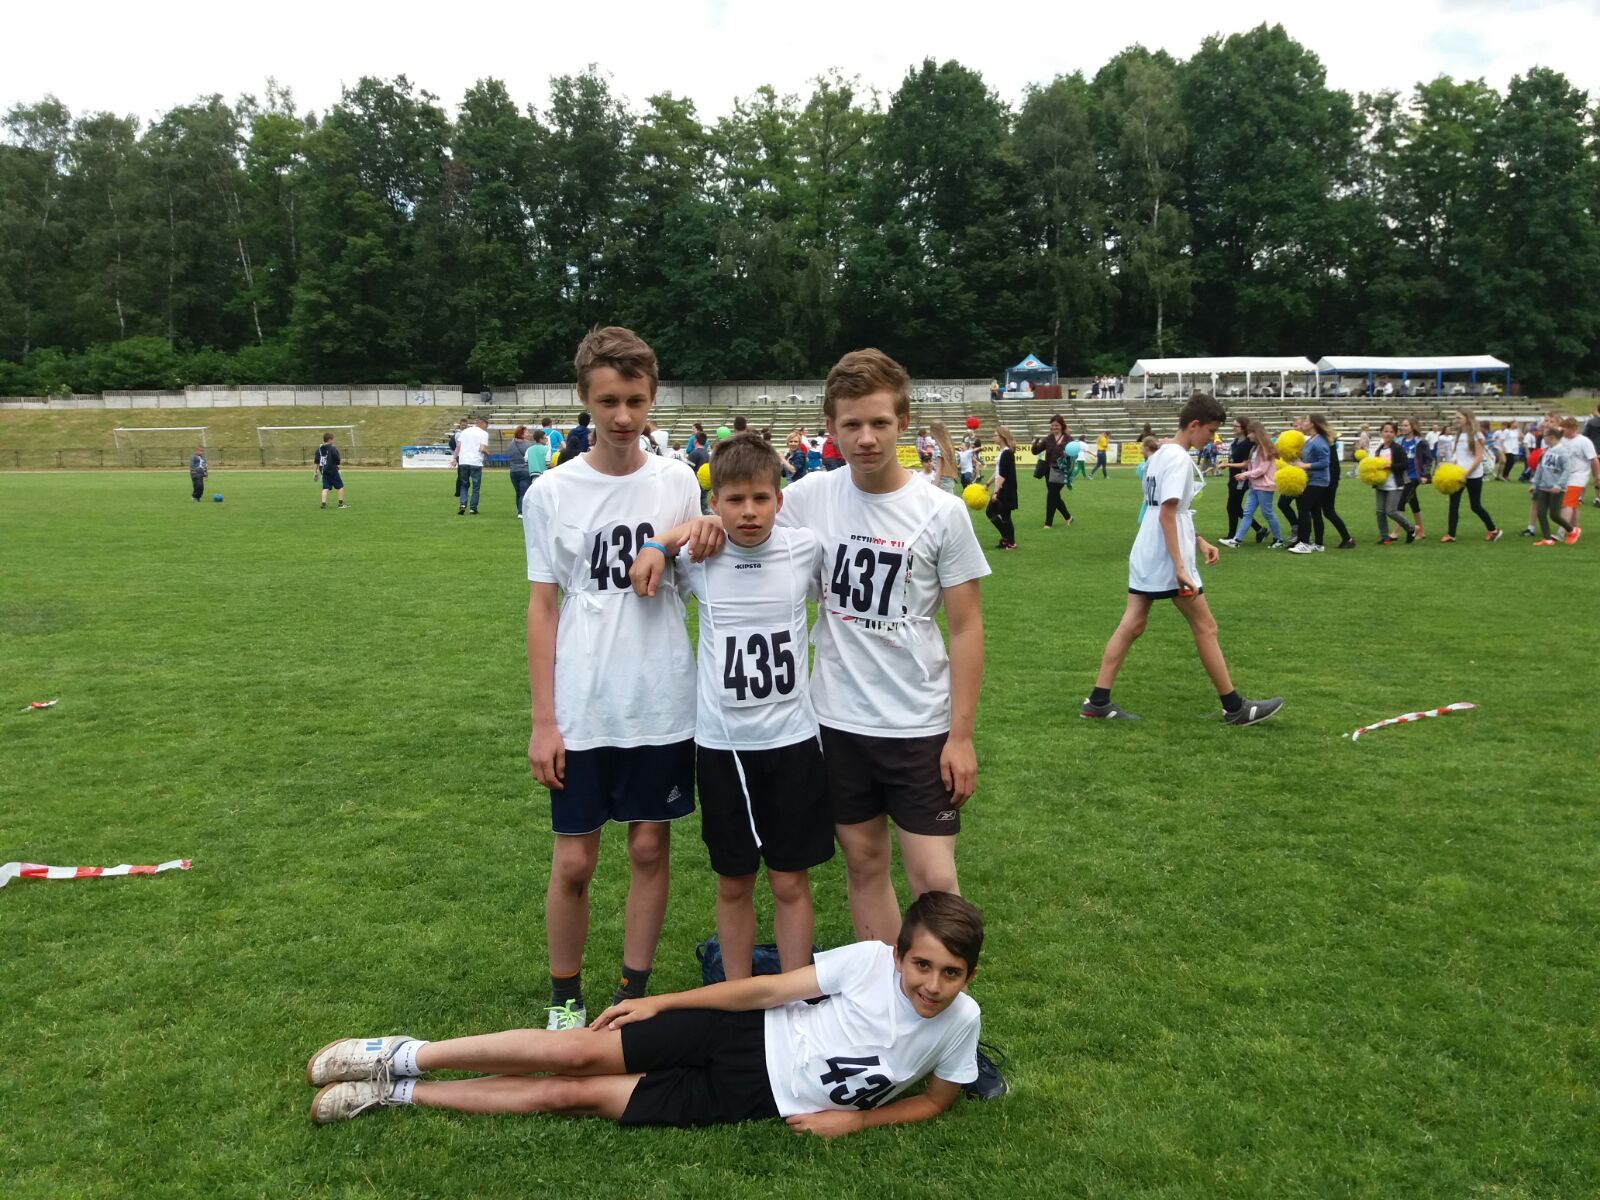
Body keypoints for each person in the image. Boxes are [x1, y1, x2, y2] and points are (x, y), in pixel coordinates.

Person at [768, 348, 1004, 1100]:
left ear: (903, 422)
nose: (865, 438)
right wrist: (670, 537)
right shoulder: (809, 497)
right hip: (836, 724)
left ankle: (955, 1032)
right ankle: (887, 1016)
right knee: (865, 868)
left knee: (934, 882)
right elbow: (740, 523)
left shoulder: (940, 511)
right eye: (850, 425)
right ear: (830, 428)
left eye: (878, 422)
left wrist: (960, 735)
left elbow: (966, 628)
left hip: (918, 727)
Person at [305, 893, 985, 1135]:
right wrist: (662, 1001)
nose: (931, 985)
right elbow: (763, 992)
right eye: (921, 965)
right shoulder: (868, 961)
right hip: (740, 1031)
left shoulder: (961, 1022)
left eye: (950, 973)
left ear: (969, 976)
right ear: (899, 955)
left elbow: (933, 1101)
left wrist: (857, 1120)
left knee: (571, 1095)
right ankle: (401, 1053)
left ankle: (396, 1094)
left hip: (748, 1097)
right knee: (575, 1050)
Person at [523, 326, 719, 1031]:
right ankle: (565, 1001)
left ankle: (631, 992)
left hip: (661, 700)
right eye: (608, 401)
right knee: (575, 861)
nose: (623, 416)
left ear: (652, 398)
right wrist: (544, 720)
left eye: (635, 401)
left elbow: (703, 557)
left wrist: (683, 537)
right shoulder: (550, 492)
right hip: (583, 703)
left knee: (647, 847)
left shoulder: (676, 480)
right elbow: (543, 607)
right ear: (584, 399)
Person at [629, 435, 832, 981]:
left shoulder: (804, 548)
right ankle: (737, 998)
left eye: (761, 499)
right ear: (714, 502)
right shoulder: (700, 558)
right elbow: (653, 561)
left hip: (792, 743)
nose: (749, 512)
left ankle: (794, 998)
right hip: (723, 749)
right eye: (735, 500)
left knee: (790, 882)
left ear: (779, 500)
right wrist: (661, 542)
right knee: (734, 882)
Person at [1081, 392, 1282, 727]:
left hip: (1149, 549)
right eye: (1210, 431)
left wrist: (1199, 540)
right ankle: (1234, 707)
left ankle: (1097, 700)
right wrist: (1179, 566)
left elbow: (1167, 510)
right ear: (1194, 425)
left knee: (1133, 623)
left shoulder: (1161, 454)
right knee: (1205, 626)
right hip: (1165, 555)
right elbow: (1168, 513)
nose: (1212, 438)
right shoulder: (1176, 458)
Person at [1287, 415, 1355, 553]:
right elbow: (1308, 457)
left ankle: (1305, 543)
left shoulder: (1320, 441)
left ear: (1313, 424)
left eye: (1306, 420)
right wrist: (1298, 457)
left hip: (1318, 481)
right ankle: (1318, 544)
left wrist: (1305, 465)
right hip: (1311, 480)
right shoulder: (1310, 440)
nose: (1303, 423)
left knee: (1304, 508)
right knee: (1315, 511)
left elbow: (1324, 463)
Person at [1219, 421, 1284, 549]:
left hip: (1264, 487)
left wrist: (1245, 474)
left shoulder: (1265, 450)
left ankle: (1279, 540)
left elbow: (1262, 470)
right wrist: (1247, 475)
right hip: (1254, 486)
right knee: (1247, 513)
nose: (1248, 435)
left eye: (1250, 433)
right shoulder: (1255, 448)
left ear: (1256, 433)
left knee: (1267, 513)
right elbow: (1253, 467)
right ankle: (1236, 540)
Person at [1441, 408, 1500, 543]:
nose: (1456, 420)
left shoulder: (1476, 435)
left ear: (1467, 419)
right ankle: (1451, 534)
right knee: (1453, 505)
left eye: (1459, 418)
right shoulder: (1458, 436)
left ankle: (1493, 530)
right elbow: (1457, 456)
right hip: (1458, 476)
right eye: (1456, 417)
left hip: (1474, 476)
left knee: (1475, 506)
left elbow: (1478, 457)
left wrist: (1466, 474)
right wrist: (1450, 468)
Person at [1528, 425, 1576, 545]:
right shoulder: (1547, 451)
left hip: (1556, 489)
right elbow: (1540, 468)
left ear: (1552, 437)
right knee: (1541, 513)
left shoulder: (1563, 452)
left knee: (1554, 515)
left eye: (1544, 436)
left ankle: (1572, 530)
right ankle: (1547, 539)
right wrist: (1534, 484)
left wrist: (1559, 485)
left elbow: (1567, 470)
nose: (1542, 438)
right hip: (1543, 487)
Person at [1220, 418, 1264, 544]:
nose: (1233, 428)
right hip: (1233, 477)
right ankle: (1259, 529)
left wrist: (1228, 464)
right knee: (1235, 507)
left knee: (1232, 506)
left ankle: (1232, 535)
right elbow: (1235, 460)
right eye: (1233, 425)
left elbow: (1245, 464)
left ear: (1243, 428)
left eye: (1236, 426)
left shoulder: (1247, 444)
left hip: (1241, 478)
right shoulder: (1235, 442)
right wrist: (1227, 463)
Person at [1555, 415, 1598, 540]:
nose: (1563, 432)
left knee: (1567, 503)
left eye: (1565, 429)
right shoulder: (1562, 440)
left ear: (1573, 429)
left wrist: (1598, 477)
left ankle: (1560, 533)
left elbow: (1594, 460)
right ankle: (1575, 529)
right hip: (1564, 476)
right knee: (1572, 504)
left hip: (1578, 476)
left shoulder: (1584, 442)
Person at [1372, 422, 1415, 545]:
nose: (1388, 434)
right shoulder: (1379, 449)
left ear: (1395, 434)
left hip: (1395, 484)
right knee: (1380, 511)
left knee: (1391, 511)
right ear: (1381, 433)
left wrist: (1390, 466)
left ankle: (1410, 528)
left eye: (1391, 432)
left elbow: (1405, 464)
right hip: (1381, 484)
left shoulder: (1397, 448)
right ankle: (1385, 537)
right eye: (1386, 431)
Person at [1032, 416, 1072, 528]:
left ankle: (1048, 523)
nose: (1054, 427)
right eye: (1053, 425)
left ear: (1062, 426)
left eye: (1057, 425)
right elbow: (1036, 451)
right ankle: (1068, 517)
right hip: (1049, 471)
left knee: (1052, 495)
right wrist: (1035, 443)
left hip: (1061, 471)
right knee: (1055, 496)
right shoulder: (1048, 438)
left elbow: (1072, 455)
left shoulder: (1068, 439)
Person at [984, 427, 1018, 550]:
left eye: (995, 435)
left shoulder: (1007, 453)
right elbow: (998, 471)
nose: (993, 437)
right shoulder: (1002, 452)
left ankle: (1008, 540)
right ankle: (1008, 540)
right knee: (1004, 515)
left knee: (992, 512)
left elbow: (1003, 475)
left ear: (1002, 437)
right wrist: (988, 484)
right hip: (1001, 487)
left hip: (1005, 489)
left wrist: (996, 492)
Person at [1397, 417, 1430, 538]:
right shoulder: (1400, 441)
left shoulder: (1420, 442)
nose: (1403, 427)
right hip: (1403, 477)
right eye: (1402, 425)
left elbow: (1427, 460)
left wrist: (1425, 475)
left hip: (1415, 476)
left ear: (1413, 427)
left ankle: (1396, 532)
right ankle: (1421, 532)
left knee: (1400, 503)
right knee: (1414, 504)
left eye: (1406, 425)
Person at [451, 416, 490, 515]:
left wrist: (454, 458)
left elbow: (458, 446)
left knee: (464, 485)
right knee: (476, 487)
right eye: (486, 425)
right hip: (475, 462)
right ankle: (473, 509)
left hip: (463, 461)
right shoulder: (483, 434)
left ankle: (463, 504)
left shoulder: (465, 431)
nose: (487, 427)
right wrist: (488, 453)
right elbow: (482, 449)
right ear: (482, 423)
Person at [927, 420, 960, 496]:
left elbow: (939, 470)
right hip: (949, 481)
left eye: (930, 429)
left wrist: (933, 488)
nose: (929, 432)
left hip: (941, 483)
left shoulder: (939, 448)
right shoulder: (947, 446)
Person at [316, 433, 347, 509]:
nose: (333, 441)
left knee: (325, 488)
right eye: (332, 440)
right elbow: (337, 459)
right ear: (329, 440)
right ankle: (341, 504)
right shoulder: (333, 448)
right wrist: (338, 466)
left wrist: (315, 472)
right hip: (332, 470)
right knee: (340, 487)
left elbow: (316, 461)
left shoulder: (319, 449)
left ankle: (323, 504)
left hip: (323, 471)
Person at [508, 425, 533, 516]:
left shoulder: (511, 444)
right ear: (522, 434)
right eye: (526, 432)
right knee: (524, 492)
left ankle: (519, 509)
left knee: (518, 492)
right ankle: (521, 511)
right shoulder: (528, 445)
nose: (528, 434)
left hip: (513, 471)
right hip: (525, 470)